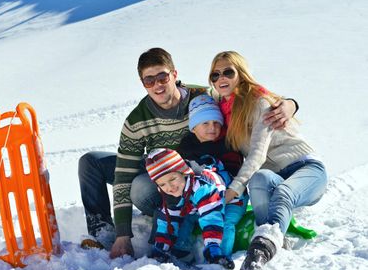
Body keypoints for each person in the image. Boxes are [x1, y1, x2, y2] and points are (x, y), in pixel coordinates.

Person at [78, 47, 297, 259]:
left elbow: (240, 93)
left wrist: (289, 104)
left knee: (142, 187)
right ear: (143, 84)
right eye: (149, 80)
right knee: (90, 162)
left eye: (162, 77)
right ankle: (103, 235)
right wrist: (123, 235)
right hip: (159, 167)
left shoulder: (203, 96)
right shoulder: (137, 120)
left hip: (193, 176)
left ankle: (163, 241)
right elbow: (123, 174)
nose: (157, 85)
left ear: (174, 74)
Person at [207, 51, 327, 270]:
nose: (221, 78)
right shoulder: (224, 107)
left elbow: (257, 154)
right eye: (215, 74)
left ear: (240, 74)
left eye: (228, 72)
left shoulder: (259, 101)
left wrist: (235, 188)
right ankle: (271, 238)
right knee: (259, 179)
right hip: (273, 175)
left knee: (282, 192)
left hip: (306, 168)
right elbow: (196, 92)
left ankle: (258, 255)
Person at [177, 94, 248, 260]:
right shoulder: (186, 146)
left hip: (231, 197)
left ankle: (222, 256)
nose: (212, 127)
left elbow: (236, 173)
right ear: (194, 127)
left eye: (217, 123)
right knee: (186, 216)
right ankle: (181, 249)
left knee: (226, 222)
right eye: (205, 123)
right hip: (200, 198)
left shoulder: (227, 144)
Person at [145, 148, 233, 269]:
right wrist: (161, 248)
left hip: (228, 199)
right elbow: (167, 221)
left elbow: (211, 216)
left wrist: (212, 247)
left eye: (172, 179)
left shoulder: (202, 187)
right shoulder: (170, 193)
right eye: (162, 184)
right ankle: (182, 251)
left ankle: (219, 255)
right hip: (195, 205)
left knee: (226, 222)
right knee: (182, 219)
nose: (169, 187)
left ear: (183, 172)